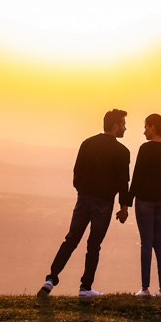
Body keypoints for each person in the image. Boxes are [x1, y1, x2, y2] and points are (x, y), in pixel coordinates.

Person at [38, 109, 131, 300]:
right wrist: (124, 207)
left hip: (84, 197)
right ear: (115, 126)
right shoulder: (122, 152)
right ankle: (85, 288)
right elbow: (123, 182)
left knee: (71, 239)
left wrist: (82, 190)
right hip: (104, 202)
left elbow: (76, 172)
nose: (125, 128)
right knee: (93, 245)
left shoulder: (87, 143)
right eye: (123, 124)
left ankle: (51, 278)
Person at [128, 113, 161, 297]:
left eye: (145, 127)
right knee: (159, 243)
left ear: (153, 127)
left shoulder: (146, 149)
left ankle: (144, 289)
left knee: (146, 244)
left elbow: (137, 178)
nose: (144, 132)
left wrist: (126, 203)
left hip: (146, 201)